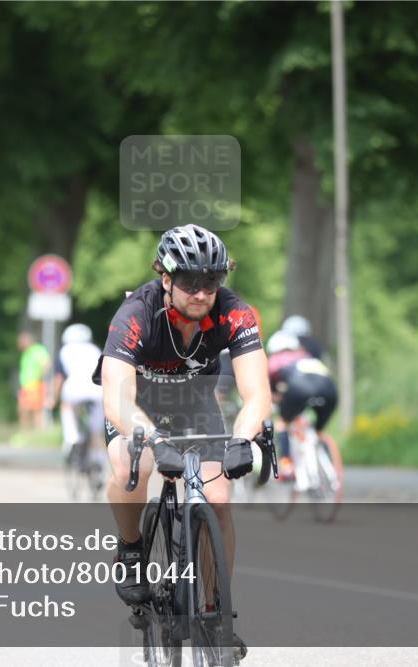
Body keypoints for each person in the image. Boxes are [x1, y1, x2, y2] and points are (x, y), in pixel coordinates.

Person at [93, 223, 270, 659]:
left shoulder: (234, 312)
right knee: (131, 466)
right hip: (138, 405)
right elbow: (117, 400)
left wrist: (242, 439)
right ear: (166, 278)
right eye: (189, 282)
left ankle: (215, 613)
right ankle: (131, 547)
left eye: (212, 281)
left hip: (194, 404)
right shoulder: (136, 313)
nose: (201, 293)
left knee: (219, 496)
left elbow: (257, 393)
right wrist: (154, 440)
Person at [265, 330, 337, 479]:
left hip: (300, 390)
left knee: (282, 423)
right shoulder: (307, 355)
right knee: (317, 431)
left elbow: (271, 391)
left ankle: (286, 463)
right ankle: (326, 460)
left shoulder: (274, 360)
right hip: (330, 390)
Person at [52, 323, 105, 464]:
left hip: (73, 389)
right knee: (96, 432)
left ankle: (72, 438)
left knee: (67, 407)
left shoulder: (64, 351)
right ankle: (99, 461)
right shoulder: (95, 350)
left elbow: (59, 378)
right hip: (97, 390)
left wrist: (53, 398)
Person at [17, 330, 51, 431]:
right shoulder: (25, 353)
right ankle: (26, 432)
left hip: (35, 385)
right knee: (23, 410)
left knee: (36, 410)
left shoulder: (36, 350)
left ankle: (37, 432)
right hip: (26, 386)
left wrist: (40, 377)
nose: (19, 344)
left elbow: (46, 364)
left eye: (21, 341)